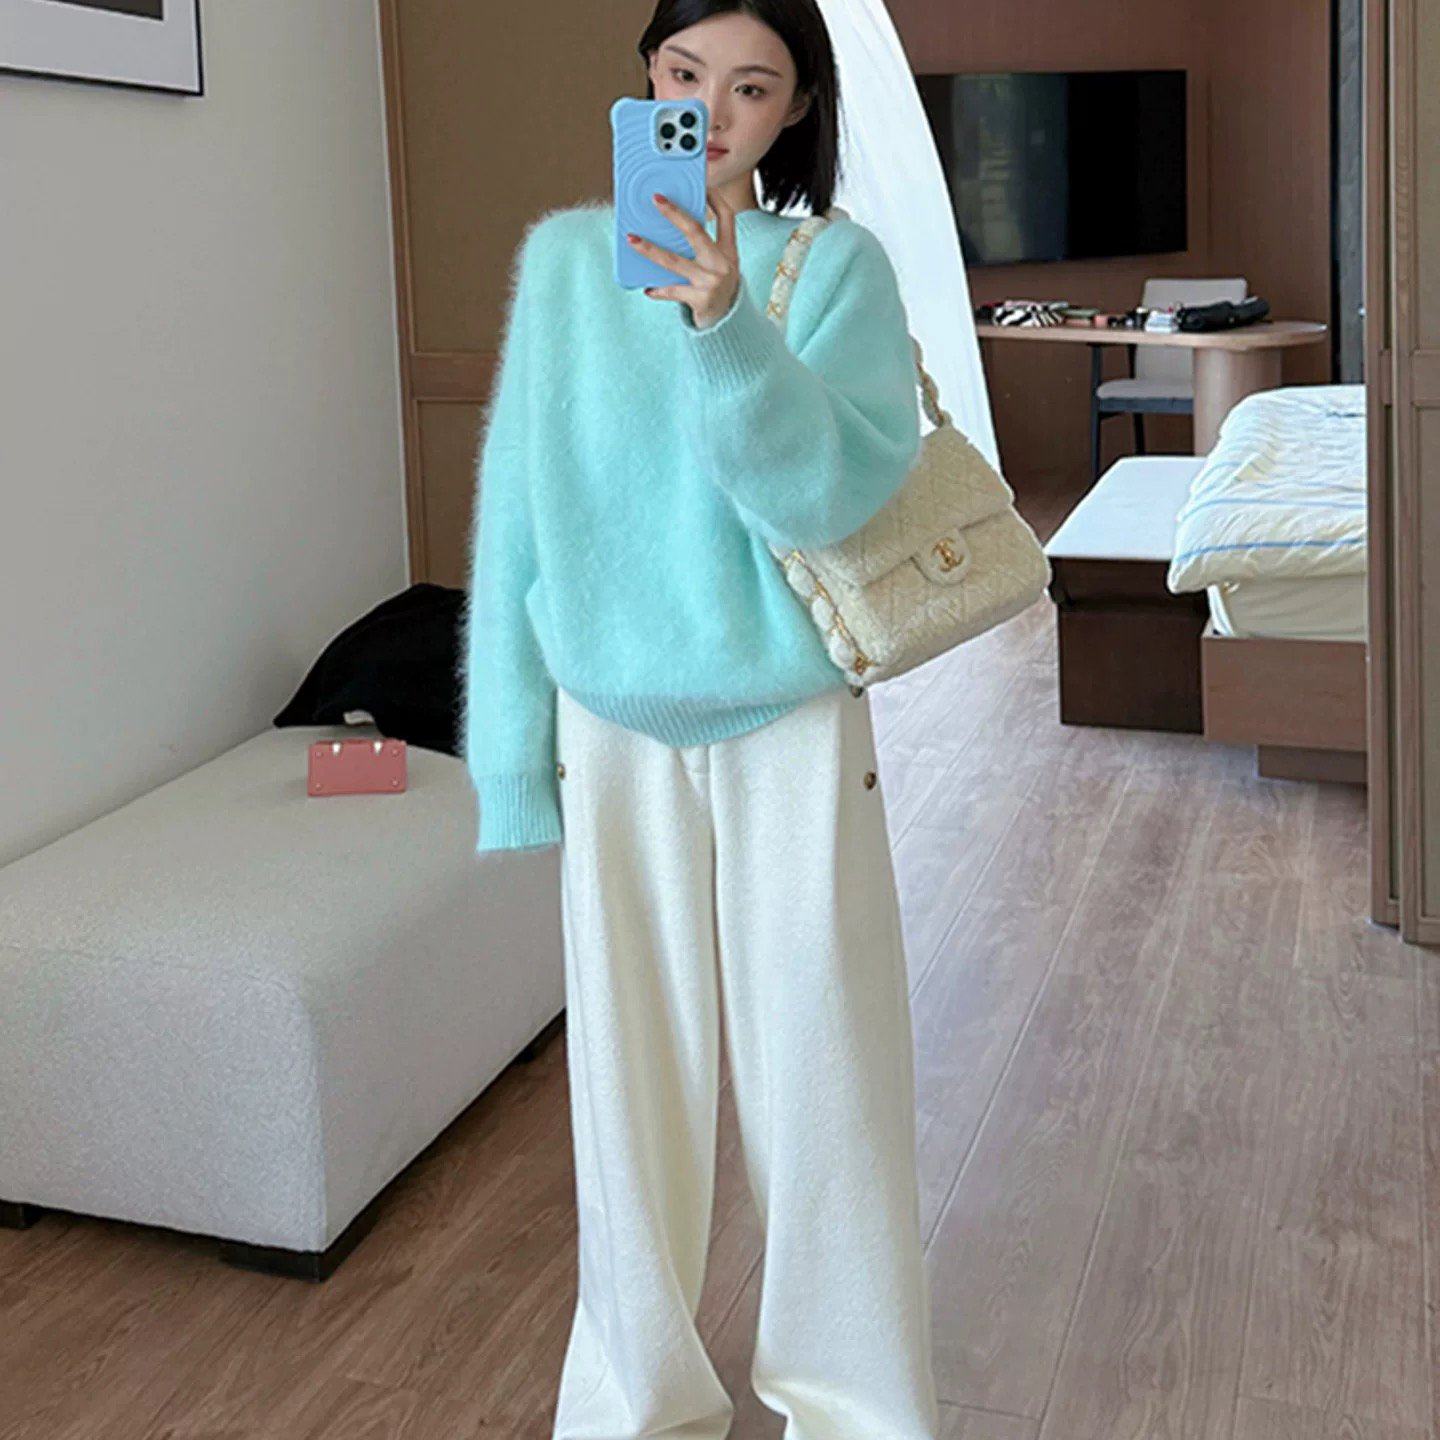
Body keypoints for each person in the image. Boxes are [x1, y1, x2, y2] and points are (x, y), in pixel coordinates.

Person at [461, 2, 941, 1435]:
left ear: (795, 110)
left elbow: (823, 501)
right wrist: (509, 758)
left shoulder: (833, 270)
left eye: (750, 87)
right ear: (647, 83)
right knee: (626, 1092)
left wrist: (727, 323)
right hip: (610, 730)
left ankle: (855, 1405)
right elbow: (514, 523)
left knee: (826, 1076)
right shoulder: (563, 266)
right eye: (685, 77)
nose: (713, 115)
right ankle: (633, 1400)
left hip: (787, 723)